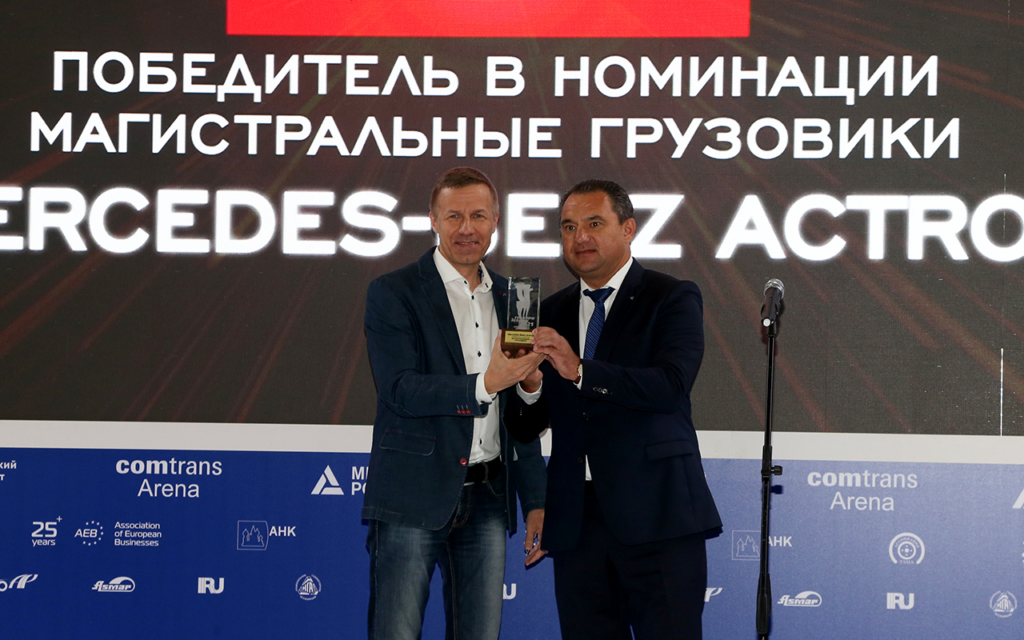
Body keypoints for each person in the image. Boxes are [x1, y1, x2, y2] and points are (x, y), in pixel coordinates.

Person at [507, 179, 722, 640]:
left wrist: (580, 369)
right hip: (577, 522)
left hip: (657, 515)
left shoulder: (672, 296)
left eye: (593, 223)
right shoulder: (551, 312)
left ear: (628, 229)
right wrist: (528, 386)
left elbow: (670, 386)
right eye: (568, 227)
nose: (579, 237)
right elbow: (525, 427)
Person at [362, 167, 548, 640]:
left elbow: (520, 418)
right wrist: (486, 384)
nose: (467, 228)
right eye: (454, 216)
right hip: (412, 495)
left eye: (479, 216)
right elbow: (400, 389)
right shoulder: (394, 292)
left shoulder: (514, 298)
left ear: (496, 222)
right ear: (433, 220)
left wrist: (535, 500)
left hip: (489, 498)